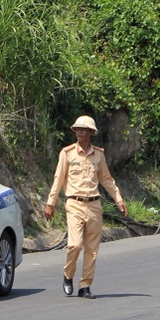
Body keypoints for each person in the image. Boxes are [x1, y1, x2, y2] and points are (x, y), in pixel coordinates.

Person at [44, 115, 128, 299]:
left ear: (91, 132)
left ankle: (85, 285)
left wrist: (119, 199)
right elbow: (58, 180)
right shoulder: (67, 153)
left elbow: (106, 179)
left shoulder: (98, 154)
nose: (80, 132)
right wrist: (50, 203)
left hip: (94, 205)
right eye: (77, 129)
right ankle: (68, 275)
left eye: (83, 129)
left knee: (92, 248)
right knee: (74, 244)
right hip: (74, 203)